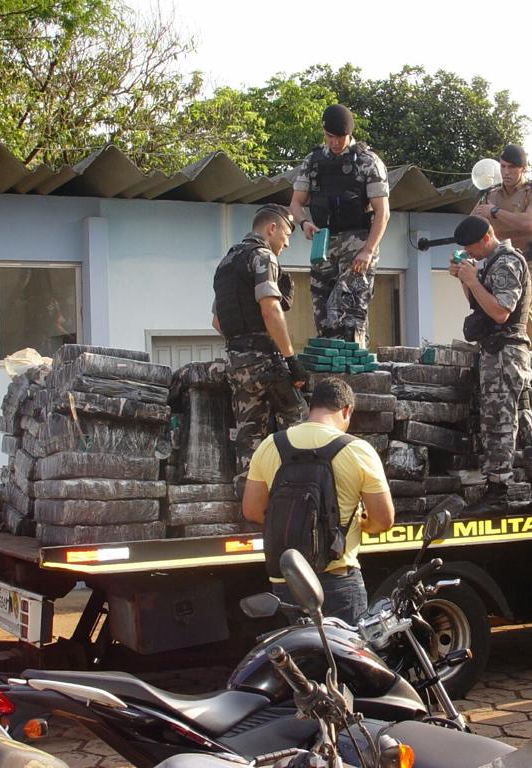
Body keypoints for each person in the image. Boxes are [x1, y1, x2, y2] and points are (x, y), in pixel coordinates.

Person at [243, 377, 395, 624]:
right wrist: (358, 523)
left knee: (304, 656)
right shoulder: (357, 449)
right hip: (337, 578)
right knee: (347, 659)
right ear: (346, 411)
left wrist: (297, 525)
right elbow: (383, 520)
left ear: (311, 408)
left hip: (287, 580)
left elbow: (252, 510)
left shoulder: (270, 445)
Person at [449, 214, 532, 517]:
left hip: (505, 353)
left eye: (471, 248)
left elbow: (500, 313)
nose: (469, 254)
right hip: (502, 353)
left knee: (498, 422)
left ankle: (498, 491)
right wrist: (465, 280)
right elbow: (480, 306)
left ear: (486, 238)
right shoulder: (491, 263)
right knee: (522, 420)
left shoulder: (507, 261)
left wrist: (472, 279)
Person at [212, 204, 308, 487]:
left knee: (249, 439)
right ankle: (298, 492)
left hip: (237, 365)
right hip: (265, 363)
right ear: (272, 228)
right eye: (287, 235)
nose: (287, 243)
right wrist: (292, 361)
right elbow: (270, 311)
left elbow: (217, 322)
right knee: (299, 420)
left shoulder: (225, 265)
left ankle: (250, 507)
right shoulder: (263, 256)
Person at [289, 104, 390, 349]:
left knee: (350, 313)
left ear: (349, 134)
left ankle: (353, 370)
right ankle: (329, 373)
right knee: (323, 312)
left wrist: (368, 250)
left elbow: (382, 211)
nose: (334, 143)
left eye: (340, 137)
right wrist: (304, 223)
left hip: (357, 244)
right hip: (324, 242)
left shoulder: (368, 161)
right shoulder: (313, 161)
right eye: (330, 137)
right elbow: (295, 203)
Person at [471, 144, 532, 351]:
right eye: (503, 166)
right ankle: (531, 356)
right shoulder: (490, 195)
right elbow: (472, 226)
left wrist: (495, 212)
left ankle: (529, 357)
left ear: (523, 168)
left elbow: (529, 223)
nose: (506, 172)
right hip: (502, 265)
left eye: (512, 168)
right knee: (510, 311)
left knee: (519, 309)